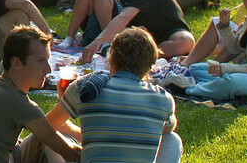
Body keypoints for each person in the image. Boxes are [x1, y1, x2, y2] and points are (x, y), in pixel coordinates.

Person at [0, 26, 82, 163]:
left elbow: (50, 127)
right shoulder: (16, 101)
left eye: (48, 61)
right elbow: (69, 152)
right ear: (16, 63)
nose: (48, 69)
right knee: (49, 144)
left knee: (45, 139)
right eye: (40, 61)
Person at [54, 27, 183, 163]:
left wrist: (63, 100)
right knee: (172, 139)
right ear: (151, 65)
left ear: (111, 57)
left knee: (46, 138)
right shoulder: (163, 99)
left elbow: (49, 126)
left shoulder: (85, 87)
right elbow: (167, 128)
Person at [77, 0, 194, 64]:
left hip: (169, 30)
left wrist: (97, 42)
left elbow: (124, 17)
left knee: (186, 41)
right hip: (141, 32)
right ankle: (141, 54)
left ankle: (147, 56)